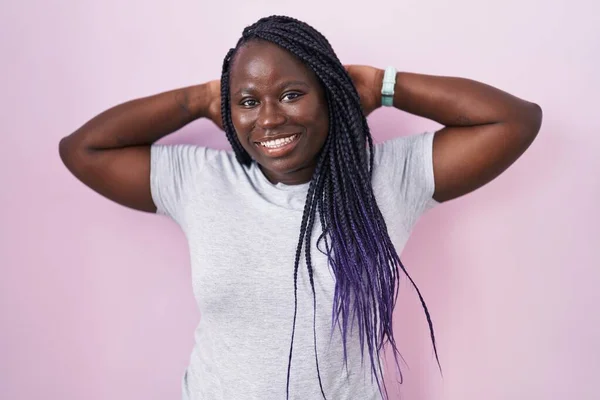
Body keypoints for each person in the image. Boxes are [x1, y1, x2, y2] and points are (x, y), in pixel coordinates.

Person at [58, 15, 542, 400]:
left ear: (329, 95)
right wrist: (199, 99)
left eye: (291, 95)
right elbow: (83, 149)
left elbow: (514, 121)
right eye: (247, 102)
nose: (268, 118)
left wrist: (382, 86)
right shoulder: (201, 181)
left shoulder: (387, 176)